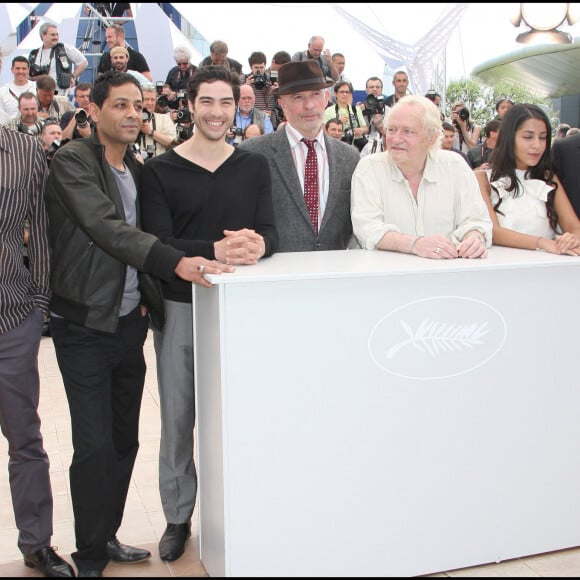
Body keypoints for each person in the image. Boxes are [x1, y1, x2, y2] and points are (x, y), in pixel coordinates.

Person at [45, 71, 234, 577]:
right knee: (93, 446)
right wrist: (172, 263)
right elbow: (106, 229)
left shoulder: (135, 167)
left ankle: (105, 536)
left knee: (125, 440)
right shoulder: (72, 163)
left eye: (138, 107)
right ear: (95, 110)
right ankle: (88, 557)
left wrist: (149, 293)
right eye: (121, 105)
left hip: (129, 322)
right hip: (84, 323)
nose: (132, 114)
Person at [140, 64, 278, 563]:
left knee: (242, 417)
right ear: (190, 105)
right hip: (181, 307)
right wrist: (221, 248)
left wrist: (257, 245)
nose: (217, 113)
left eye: (226, 102)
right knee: (179, 418)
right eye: (207, 102)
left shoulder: (252, 167)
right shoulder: (159, 171)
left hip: (243, 311)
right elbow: (158, 243)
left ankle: (241, 510)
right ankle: (179, 517)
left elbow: (270, 234)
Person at [0, 123, 75, 579]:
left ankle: (37, 543)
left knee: (25, 438)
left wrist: (40, 302)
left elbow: (42, 229)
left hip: (12, 316)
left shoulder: (23, 149)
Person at [240, 60, 360, 251]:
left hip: (334, 274)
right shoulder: (253, 154)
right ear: (282, 104)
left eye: (315, 95)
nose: (309, 105)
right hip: (276, 274)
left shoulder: (350, 158)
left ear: (326, 98)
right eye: (298, 97)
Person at [351, 95, 492, 259]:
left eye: (408, 131)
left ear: (431, 138)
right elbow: (367, 228)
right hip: (388, 278)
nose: (396, 139)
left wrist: (474, 237)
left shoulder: (455, 165)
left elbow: (477, 219)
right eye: (391, 130)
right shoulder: (369, 168)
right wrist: (415, 244)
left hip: (448, 276)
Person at [476, 103, 580, 255]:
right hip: (499, 270)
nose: (537, 145)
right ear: (509, 138)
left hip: (548, 270)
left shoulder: (549, 179)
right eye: (528, 137)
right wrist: (542, 243)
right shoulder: (482, 179)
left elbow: (574, 226)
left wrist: (572, 239)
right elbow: (493, 230)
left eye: (543, 138)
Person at [28, 23, 87, 95]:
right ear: (43, 36)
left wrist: (73, 76)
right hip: (39, 95)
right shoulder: (34, 54)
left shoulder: (63, 48)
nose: (56, 37)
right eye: (52, 35)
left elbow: (83, 62)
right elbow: (28, 75)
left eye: (57, 35)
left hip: (59, 95)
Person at [133, 83, 177, 160]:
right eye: (146, 99)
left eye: (152, 100)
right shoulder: (131, 119)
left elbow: (172, 143)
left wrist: (151, 132)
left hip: (159, 164)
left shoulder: (164, 119)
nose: (150, 103)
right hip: (136, 164)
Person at [323, 80, 368, 151]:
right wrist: (337, 122)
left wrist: (361, 130)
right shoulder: (329, 110)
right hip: (334, 147)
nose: (345, 94)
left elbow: (366, 128)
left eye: (347, 92)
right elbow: (323, 130)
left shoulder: (356, 110)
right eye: (342, 92)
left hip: (353, 148)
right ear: (335, 94)